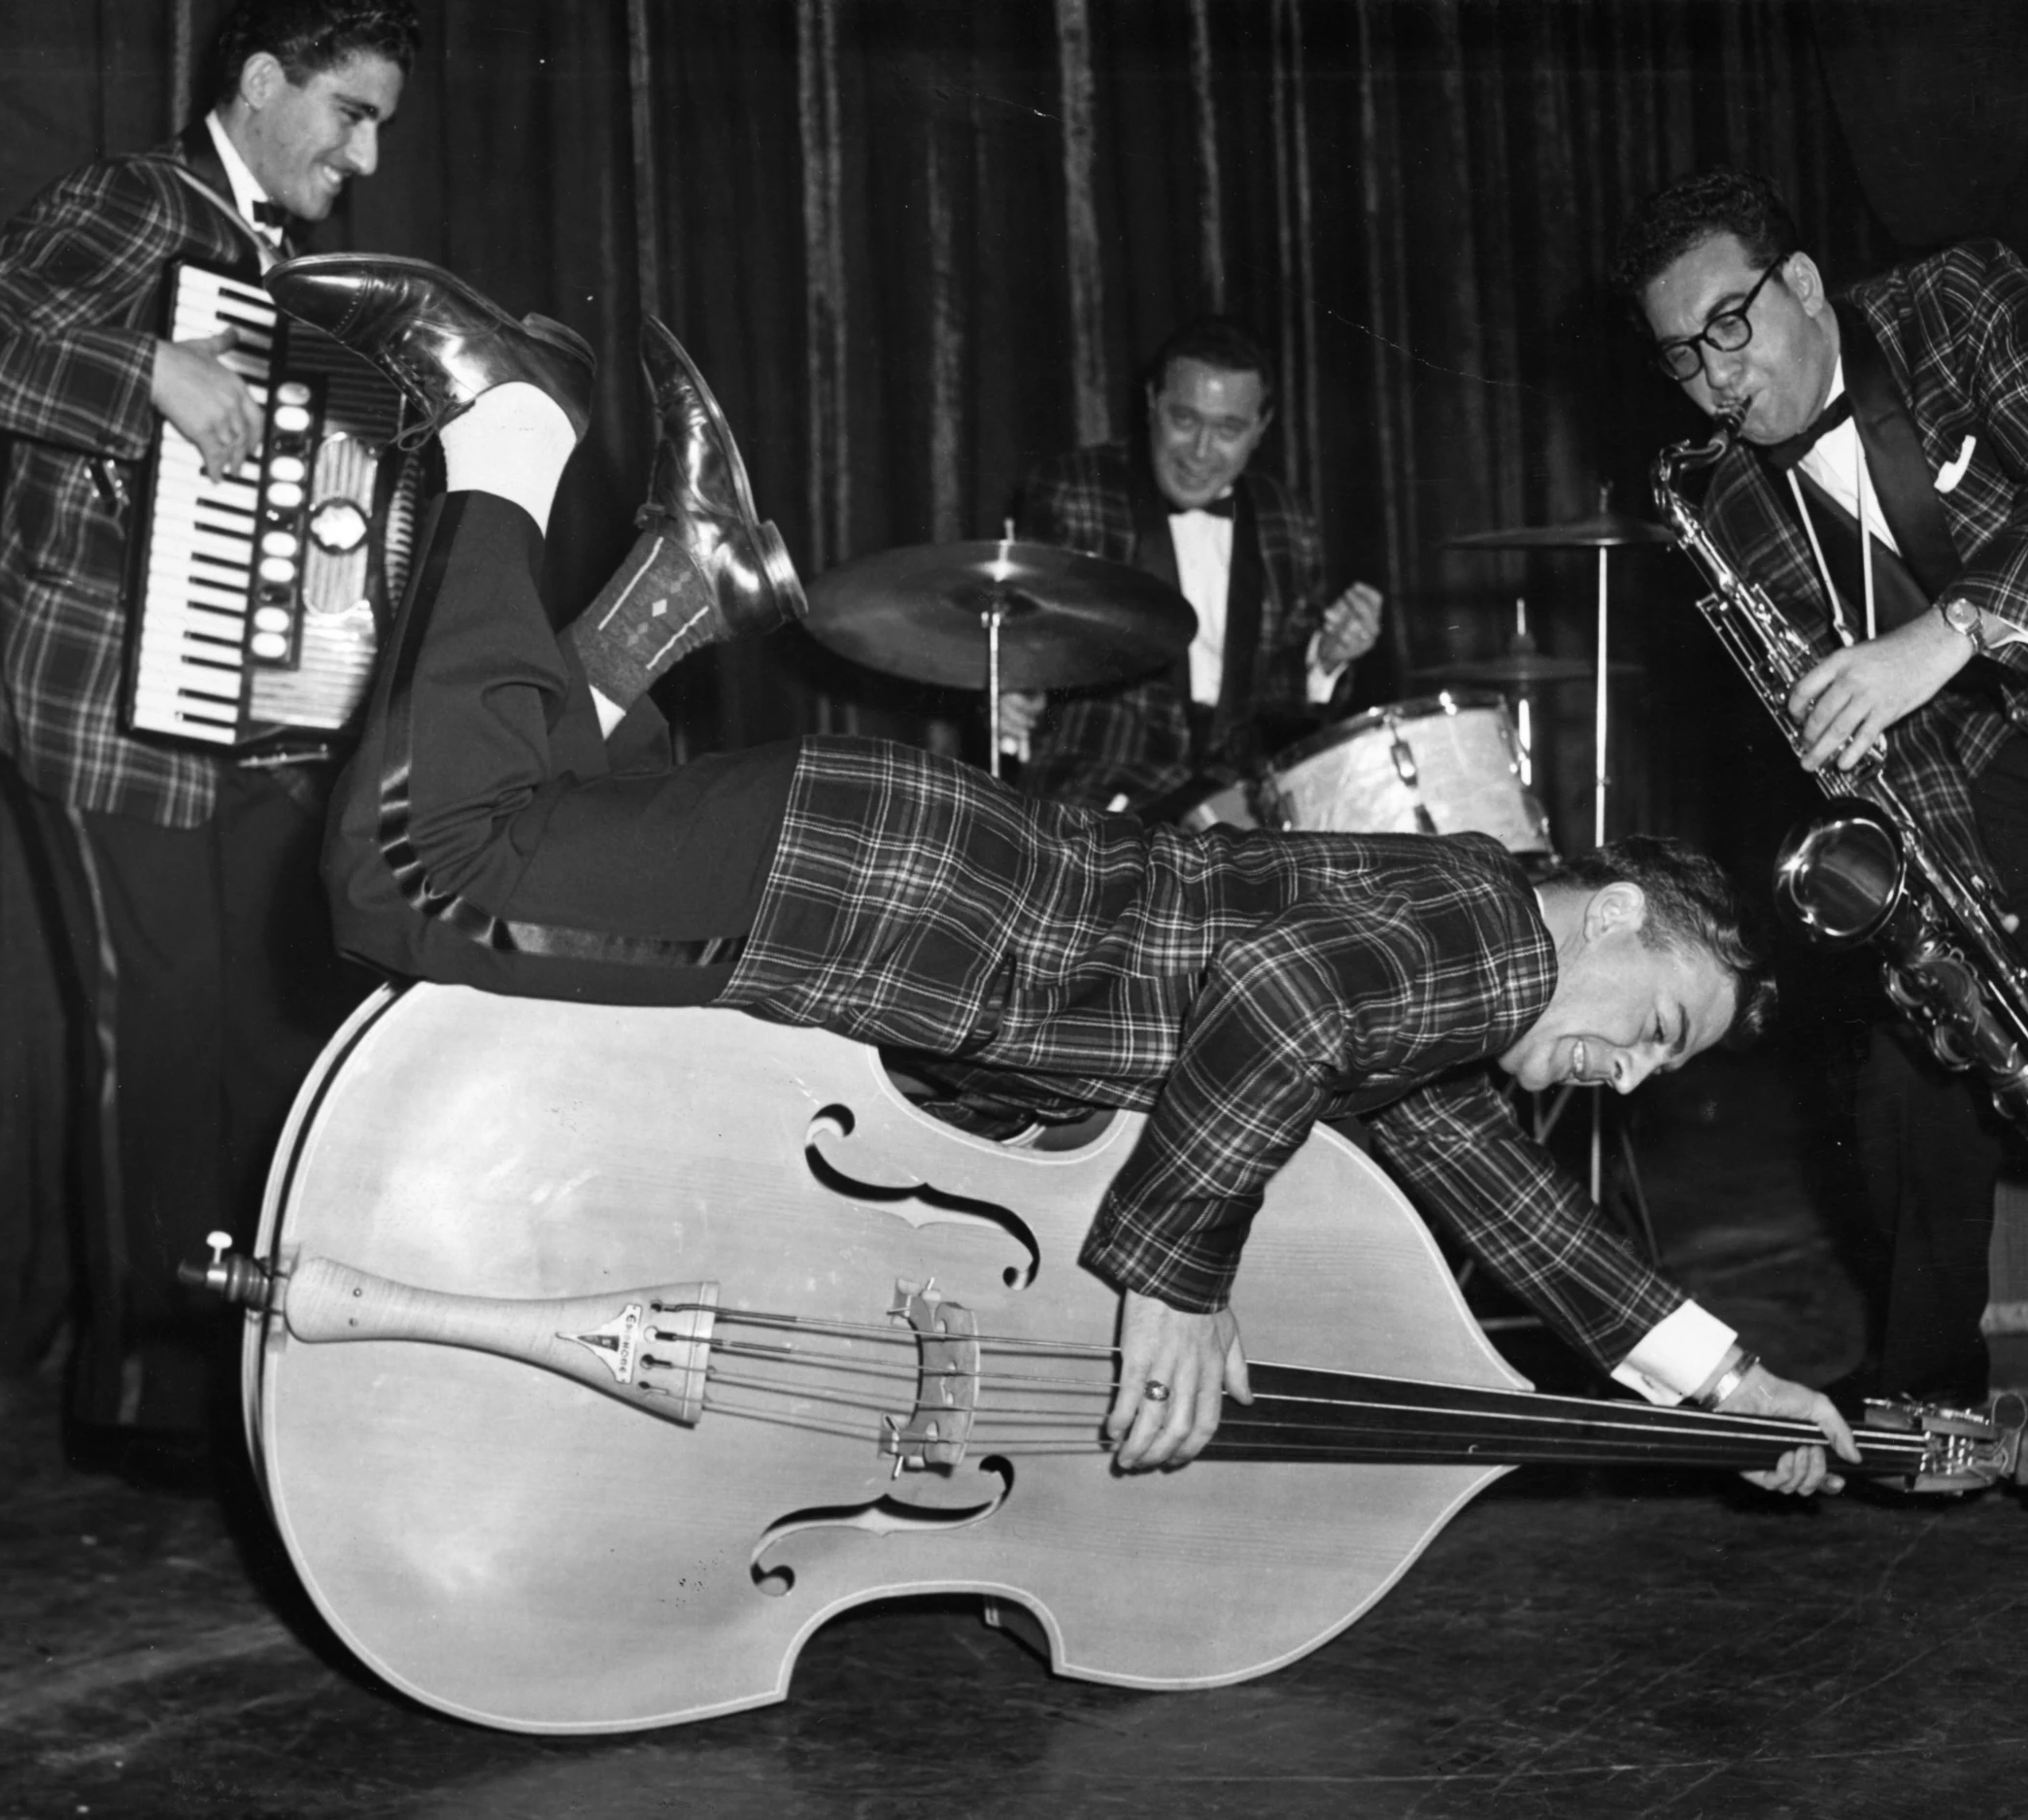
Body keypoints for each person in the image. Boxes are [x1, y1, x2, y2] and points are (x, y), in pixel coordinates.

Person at [259, 249, 1859, 1496]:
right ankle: (512, 433)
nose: (1636, 1074)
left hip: (892, 888)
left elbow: (1517, 1211)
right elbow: (1282, 992)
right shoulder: (1494, 933)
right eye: (1662, 1021)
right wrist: (1175, 1272)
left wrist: (1730, 1380)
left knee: (512, 837)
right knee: (414, 872)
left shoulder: (1447, 993)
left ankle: (680, 585)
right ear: (1624, 913)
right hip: (880, 883)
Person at [0, 0, 422, 1484]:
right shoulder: (136, 204)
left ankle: (244, 1373)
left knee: (268, 1041)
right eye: (349, 114)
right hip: (105, 716)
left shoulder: (312, 272)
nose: (364, 155)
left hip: (254, 725)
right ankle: (144, 1399)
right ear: (262, 84)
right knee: (164, 1044)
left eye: (378, 123)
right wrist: (146, 376)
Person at [1613, 169, 2028, 1403]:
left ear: (1799, 285)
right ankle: (1925, 1398)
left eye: (1728, 328)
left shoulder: (1960, 299)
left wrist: (1937, 636)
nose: (1713, 380)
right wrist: (1950, 919)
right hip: (2011, 763)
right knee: (1916, 1060)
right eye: (1680, 358)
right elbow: (1890, 740)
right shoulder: (1728, 501)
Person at [998, 317, 1384, 818]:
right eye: (1184, 420)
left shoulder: (1286, 517)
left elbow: (1286, 702)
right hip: (1098, 791)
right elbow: (1020, 645)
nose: (1201, 451)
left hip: (1237, 799)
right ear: (1153, 402)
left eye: (1228, 429)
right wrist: (1012, 694)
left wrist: (1328, 656)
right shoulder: (1076, 490)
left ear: (1260, 428)